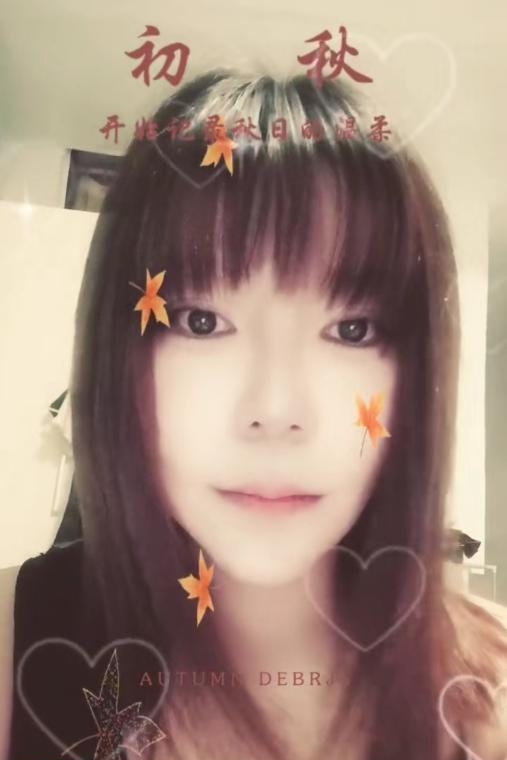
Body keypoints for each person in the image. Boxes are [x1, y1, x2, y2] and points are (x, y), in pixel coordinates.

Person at [1, 68, 507, 760]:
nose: (274, 412)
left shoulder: (488, 693)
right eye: (201, 321)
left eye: (351, 330)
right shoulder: (18, 641)